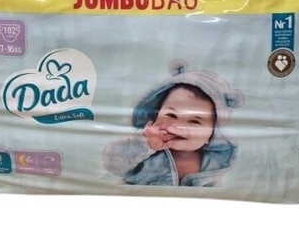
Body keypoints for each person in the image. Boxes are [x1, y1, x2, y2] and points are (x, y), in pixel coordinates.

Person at [103, 59, 244, 187]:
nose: (178, 126)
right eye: (171, 115)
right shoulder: (142, 145)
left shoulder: (213, 164)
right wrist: (145, 143)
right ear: (156, 115)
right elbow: (112, 165)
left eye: (194, 121)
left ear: (212, 134)